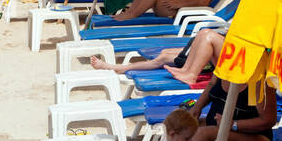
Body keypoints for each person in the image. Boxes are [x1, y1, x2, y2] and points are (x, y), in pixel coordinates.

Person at [89, 27, 227, 85]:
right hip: (214, 51)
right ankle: (186, 70)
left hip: (210, 59)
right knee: (165, 53)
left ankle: (119, 68)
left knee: (161, 59)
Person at [187, 75, 277, 141]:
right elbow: (211, 84)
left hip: (254, 136)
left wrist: (233, 124)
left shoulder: (259, 78)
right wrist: (196, 109)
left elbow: (268, 120)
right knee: (179, 124)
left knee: (201, 135)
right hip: (217, 126)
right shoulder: (225, 65)